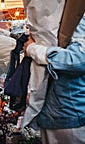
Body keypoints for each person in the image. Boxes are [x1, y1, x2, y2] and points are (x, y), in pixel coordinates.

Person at [23, 14, 85, 143]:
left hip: (68, 114)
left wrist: (33, 49)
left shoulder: (80, 17)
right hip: (56, 113)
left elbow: (76, 60)